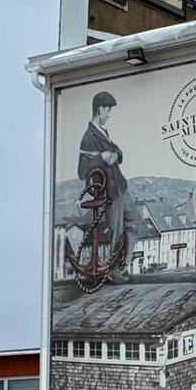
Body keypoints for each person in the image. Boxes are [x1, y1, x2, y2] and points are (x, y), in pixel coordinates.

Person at [78, 91, 133, 282]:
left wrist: (115, 154)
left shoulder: (103, 132)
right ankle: (113, 271)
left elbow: (119, 152)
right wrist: (100, 157)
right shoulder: (88, 137)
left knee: (134, 223)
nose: (109, 115)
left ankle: (123, 265)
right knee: (116, 231)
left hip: (120, 187)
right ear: (100, 109)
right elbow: (82, 171)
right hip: (109, 191)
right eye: (108, 110)